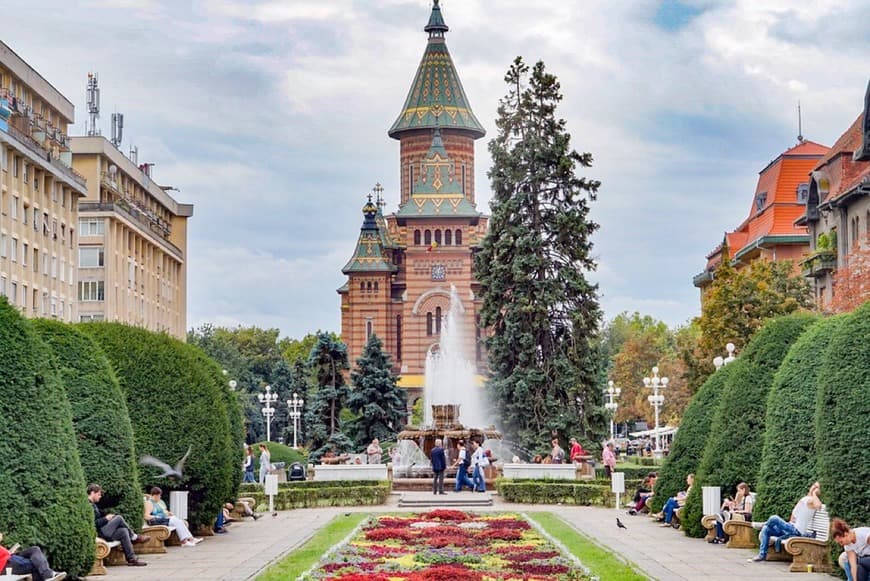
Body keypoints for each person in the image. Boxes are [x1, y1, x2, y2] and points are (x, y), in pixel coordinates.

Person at [749, 481, 822, 562]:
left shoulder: (812, 500)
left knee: (774, 518)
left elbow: (818, 505)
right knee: (766, 529)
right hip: (790, 527)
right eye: (813, 486)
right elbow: (794, 513)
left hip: (797, 531)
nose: (814, 488)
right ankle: (762, 555)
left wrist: (815, 494)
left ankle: (763, 524)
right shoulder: (805, 499)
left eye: (817, 487)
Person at [87, 483, 148, 567]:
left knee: (123, 531)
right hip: (100, 533)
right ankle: (134, 537)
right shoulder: (87, 505)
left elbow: (99, 516)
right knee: (119, 518)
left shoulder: (94, 505)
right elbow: (93, 523)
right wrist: (106, 519)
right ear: (92, 493)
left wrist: (108, 516)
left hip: (104, 531)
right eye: (98, 494)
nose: (100, 496)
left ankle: (131, 559)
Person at [0, 533, 66, 581]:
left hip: (10, 556)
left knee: (34, 549)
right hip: (6, 563)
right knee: (36, 564)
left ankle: (49, 574)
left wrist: (10, 551)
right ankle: (49, 574)